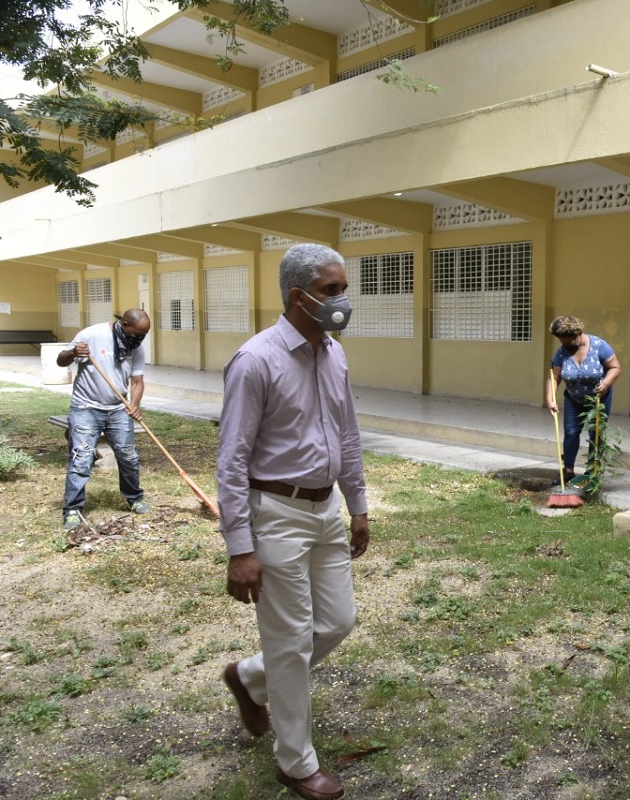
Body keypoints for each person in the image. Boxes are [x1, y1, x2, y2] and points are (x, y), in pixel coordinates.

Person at [217, 243, 369, 800]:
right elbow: (232, 457)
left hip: (326, 508)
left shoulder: (334, 353)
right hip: (276, 512)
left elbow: (348, 435)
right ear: (296, 295)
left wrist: (357, 505)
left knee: (337, 622)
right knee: (289, 642)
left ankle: (249, 678)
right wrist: (240, 548)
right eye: (331, 290)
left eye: (342, 288)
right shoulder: (255, 360)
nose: (342, 300)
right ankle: (295, 762)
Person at [57, 308, 153, 530]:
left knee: (128, 456)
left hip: (118, 409)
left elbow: (137, 382)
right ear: (124, 325)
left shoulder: (136, 348)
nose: (139, 339)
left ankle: (135, 498)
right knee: (81, 458)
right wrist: (73, 353)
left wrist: (134, 405)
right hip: (86, 407)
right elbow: (61, 361)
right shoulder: (92, 335)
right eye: (137, 334)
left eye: (144, 335)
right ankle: (72, 509)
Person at [545, 315, 621, 480]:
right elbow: (554, 377)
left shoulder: (599, 346)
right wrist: (550, 399)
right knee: (571, 432)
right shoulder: (562, 352)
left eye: (567, 341)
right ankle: (568, 471)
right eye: (561, 341)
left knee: (595, 433)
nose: (563, 344)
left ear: (577, 334)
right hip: (574, 398)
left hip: (598, 399)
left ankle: (593, 471)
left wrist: (606, 383)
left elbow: (615, 367)